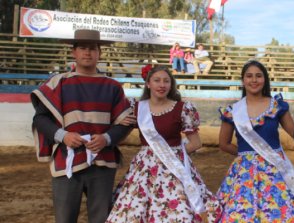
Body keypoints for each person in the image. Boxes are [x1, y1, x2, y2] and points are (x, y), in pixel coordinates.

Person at [31, 29, 132, 223]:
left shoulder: (112, 86)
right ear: (73, 52)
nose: (88, 53)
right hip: (66, 161)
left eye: (93, 48)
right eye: (83, 48)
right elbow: (40, 119)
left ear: (99, 53)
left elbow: (126, 123)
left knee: (101, 218)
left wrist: (107, 138)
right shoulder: (57, 83)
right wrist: (63, 135)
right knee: (65, 218)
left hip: (102, 162)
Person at [107, 66, 222, 222]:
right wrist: (119, 122)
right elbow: (120, 137)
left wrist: (173, 155)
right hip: (144, 170)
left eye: (166, 81)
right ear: (148, 84)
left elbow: (196, 143)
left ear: (171, 85)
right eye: (157, 80)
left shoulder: (183, 108)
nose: (162, 85)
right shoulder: (136, 108)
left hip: (175, 168)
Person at [216, 60, 294, 222]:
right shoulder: (232, 111)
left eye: (258, 76)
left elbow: (293, 132)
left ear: (265, 80)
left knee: (284, 212)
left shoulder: (277, 105)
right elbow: (224, 144)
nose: (254, 80)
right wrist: (247, 155)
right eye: (249, 76)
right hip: (245, 171)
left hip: (277, 167)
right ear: (243, 80)